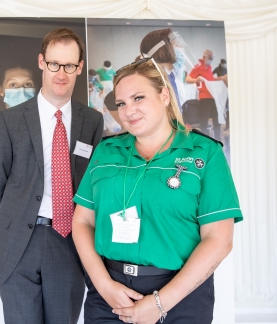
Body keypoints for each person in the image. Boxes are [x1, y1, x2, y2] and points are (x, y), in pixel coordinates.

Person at [72, 56, 243, 324]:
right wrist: (104, 286)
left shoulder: (205, 153)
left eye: (138, 98)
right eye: (121, 103)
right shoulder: (106, 151)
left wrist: (161, 303)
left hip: (180, 296)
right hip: (110, 297)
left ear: (164, 95)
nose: (129, 111)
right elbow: (82, 221)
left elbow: (219, 240)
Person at [0, 28, 104, 324]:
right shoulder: (10, 120)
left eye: (69, 65)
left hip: (69, 241)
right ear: (42, 62)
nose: (61, 73)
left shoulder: (91, 121)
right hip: (18, 243)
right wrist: (23, 213)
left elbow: (92, 182)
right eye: (54, 64)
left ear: (79, 67)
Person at [186, 49, 225, 140]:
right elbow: (188, 79)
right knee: (204, 121)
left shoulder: (210, 67)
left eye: (212, 58)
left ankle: (217, 140)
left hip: (213, 97)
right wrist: (196, 80)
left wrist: (218, 79)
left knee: (216, 121)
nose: (211, 60)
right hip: (204, 98)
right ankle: (203, 142)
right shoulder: (198, 67)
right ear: (205, 57)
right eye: (210, 58)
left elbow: (209, 80)